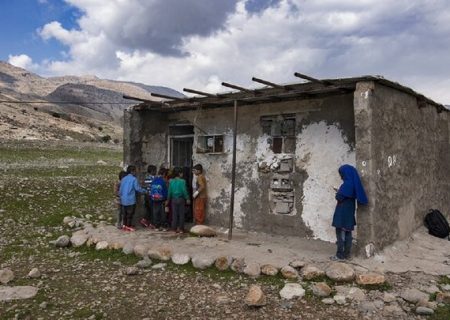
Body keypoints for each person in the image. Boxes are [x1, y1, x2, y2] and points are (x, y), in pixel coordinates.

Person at [331, 164, 368, 261]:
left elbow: (339, 197)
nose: (341, 176)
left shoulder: (347, 185)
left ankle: (340, 255)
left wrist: (338, 192)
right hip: (349, 213)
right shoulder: (353, 184)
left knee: (341, 235)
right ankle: (347, 255)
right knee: (348, 234)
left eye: (341, 174)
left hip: (342, 214)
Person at [119, 165, 146, 231]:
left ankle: (124, 225)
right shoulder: (134, 179)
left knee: (125, 214)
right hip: (130, 200)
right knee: (130, 214)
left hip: (123, 200)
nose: (136, 172)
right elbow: (137, 188)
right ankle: (129, 226)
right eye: (135, 171)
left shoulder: (123, 179)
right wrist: (145, 191)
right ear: (132, 171)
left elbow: (120, 190)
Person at [166, 167, 190, 233]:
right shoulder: (182, 181)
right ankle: (181, 229)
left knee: (174, 214)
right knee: (181, 214)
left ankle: (174, 228)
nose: (182, 174)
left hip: (173, 199)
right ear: (179, 174)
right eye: (182, 173)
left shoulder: (171, 181)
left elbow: (169, 191)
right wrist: (187, 198)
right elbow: (184, 190)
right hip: (181, 199)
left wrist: (168, 200)